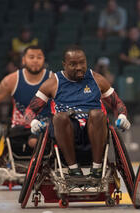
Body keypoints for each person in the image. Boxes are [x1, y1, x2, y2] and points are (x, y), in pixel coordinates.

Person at [23, 45, 131, 179]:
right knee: (59, 117)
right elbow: (30, 110)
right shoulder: (53, 83)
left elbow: (117, 103)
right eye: (73, 64)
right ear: (64, 65)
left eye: (82, 62)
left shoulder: (97, 79)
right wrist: (32, 122)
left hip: (95, 133)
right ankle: (73, 168)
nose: (79, 67)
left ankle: (97, 168)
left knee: (97, 114)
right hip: (66, 134)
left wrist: (122, 116)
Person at [0, 46, 52, 154]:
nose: (35, 60)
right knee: (30, 140)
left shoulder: (52, 79)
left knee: (40, 139)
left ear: (44, 60)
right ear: (23, 60)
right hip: (20, 128)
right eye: (31, 57)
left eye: (39, 57)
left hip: (45, 127)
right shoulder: (12, 80)